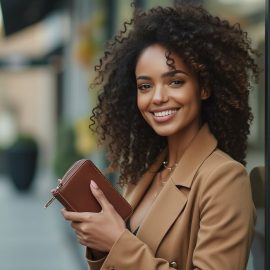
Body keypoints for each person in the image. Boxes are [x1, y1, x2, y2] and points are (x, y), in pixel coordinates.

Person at [61, 2, 259, 270]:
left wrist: (117, 241)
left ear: (204, 88)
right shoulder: (146, 172)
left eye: (175, 81)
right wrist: (98, 243)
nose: (157, 98)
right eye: (145, 86)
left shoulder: (225, 179)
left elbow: (125, 250)